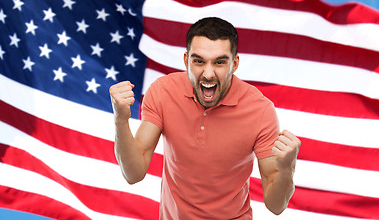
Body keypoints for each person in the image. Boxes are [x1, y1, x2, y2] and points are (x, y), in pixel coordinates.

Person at [110, 17, 301, 219]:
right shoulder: (162, 92)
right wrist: (120, 120)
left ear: (234, 64)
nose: (208, 74)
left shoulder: (260, 110)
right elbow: (133, 173)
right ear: (186, 61)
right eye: (199, 61)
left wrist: (287, 168)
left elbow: (275, 206)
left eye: (219, 62)